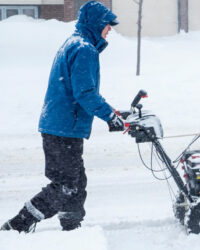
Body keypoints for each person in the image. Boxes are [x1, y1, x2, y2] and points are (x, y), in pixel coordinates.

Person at [1, 1, 125, 233]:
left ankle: (71, 227)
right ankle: (16, 225)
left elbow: (80, 90)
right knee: (66, 185)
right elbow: (85, 92)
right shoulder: (84, 49)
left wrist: (110, 112)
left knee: (76, 182)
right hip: (64, 127)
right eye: (108, 25)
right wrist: (109, 115)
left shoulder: (75, 43)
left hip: (61, 125)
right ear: (97, 23)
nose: (110, 29)